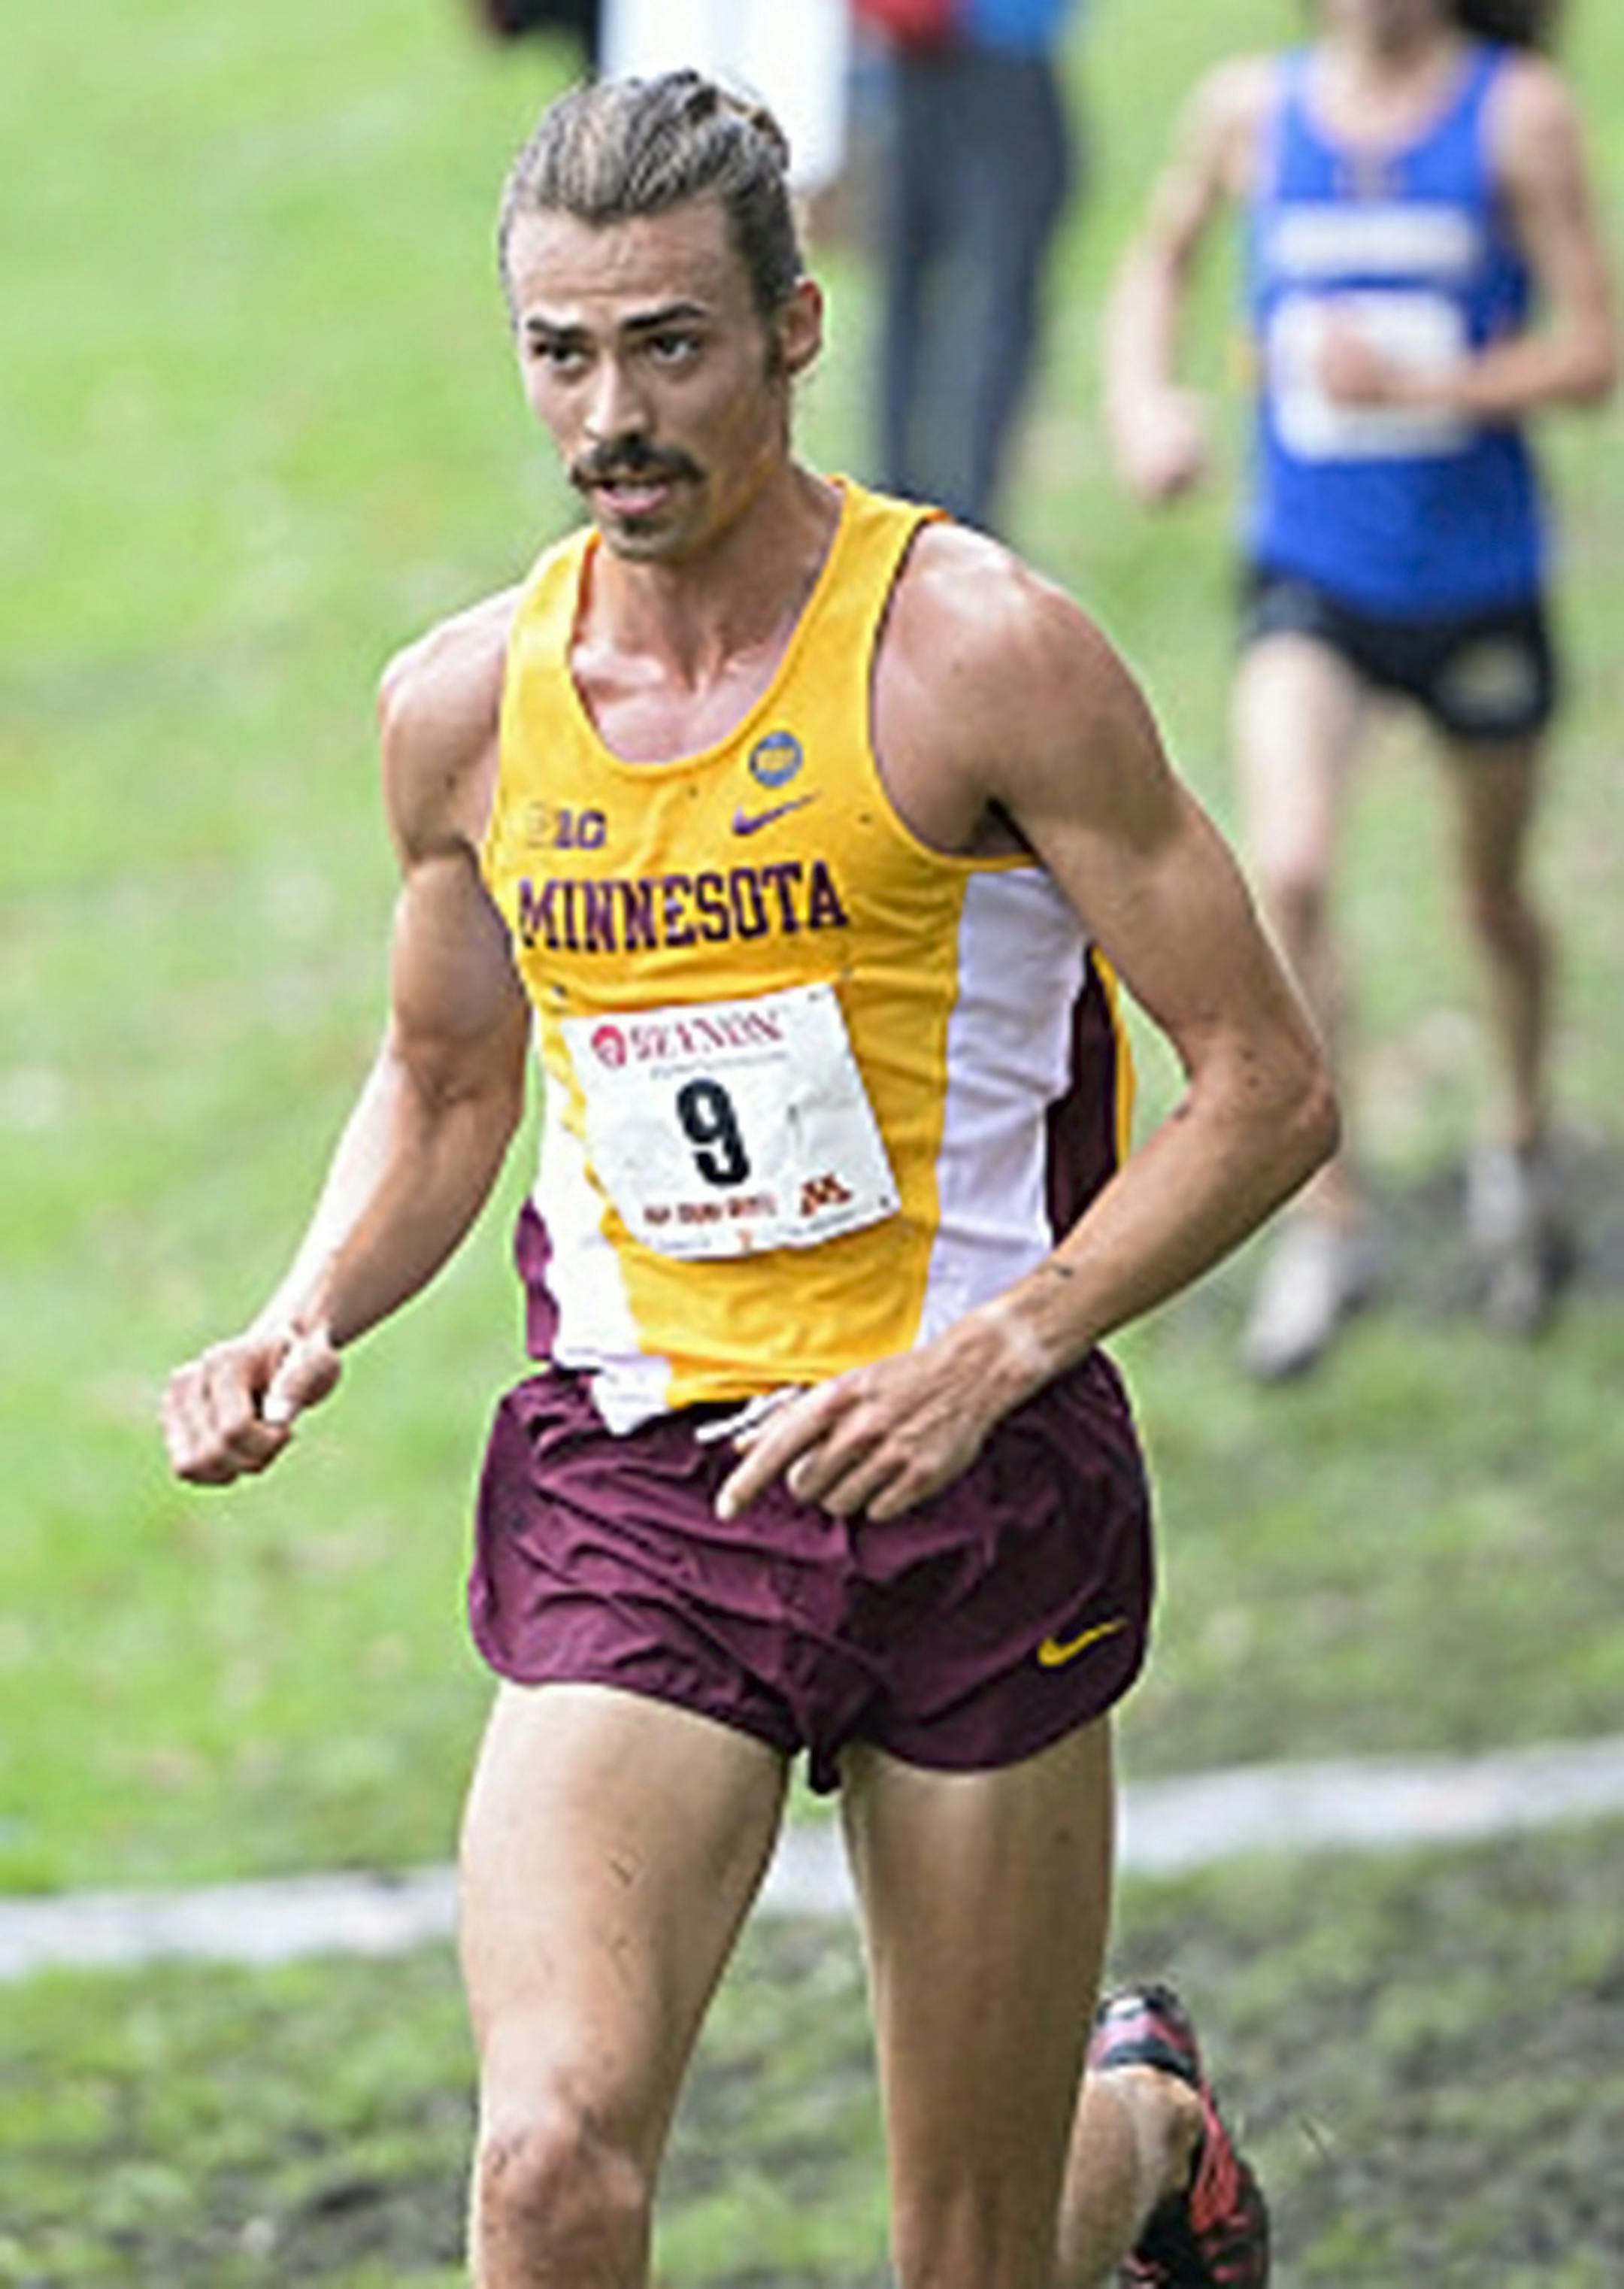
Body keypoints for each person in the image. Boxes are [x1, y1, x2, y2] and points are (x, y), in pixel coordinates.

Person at [162, 71, 1335, 2288]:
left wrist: (998, 1354)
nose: (613, 410)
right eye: (562, 350)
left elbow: (1267, 1086)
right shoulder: (466, 711)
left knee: (974, 2251)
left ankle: (1147, 2130)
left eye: (671, 343)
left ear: (798, 330)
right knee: (546, 2172)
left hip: (973, 1479)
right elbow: (438, 1081)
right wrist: (300, 1312)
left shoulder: (979, 652)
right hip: (647, 1487)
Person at [1104, 0, 1617, 1381]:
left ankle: (1517, 1139)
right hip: (1310, 574)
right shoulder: (1249, 110)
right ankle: (1327, 1215)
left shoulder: (1514, 113)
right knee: (1296, 865)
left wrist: (1431, 382)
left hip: (1476, 580)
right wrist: (1147, 402)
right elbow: (1157, 261)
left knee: (1492, 900)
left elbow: (1594, 349)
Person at [858, 0, 1081, 529]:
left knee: (907, 290)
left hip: (912, 51)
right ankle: (974, 514)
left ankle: (889, 504)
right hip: (1003, 45)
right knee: (1001, 295)